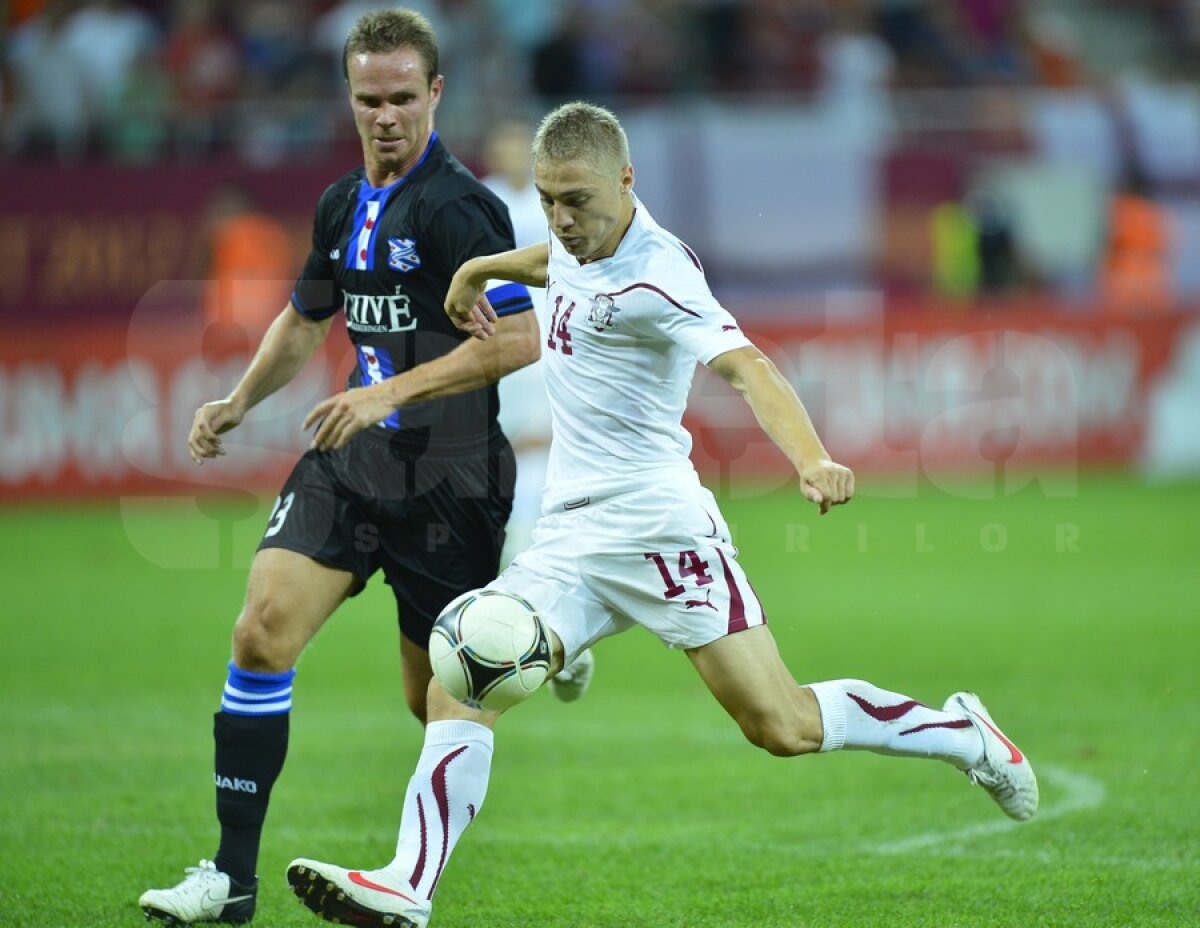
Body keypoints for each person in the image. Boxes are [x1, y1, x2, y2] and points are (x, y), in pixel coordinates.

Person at [285, 102, 1040, 928]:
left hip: (659, 530)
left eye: (579, 199)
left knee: (780, 725)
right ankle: (407, 883)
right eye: (548, 199)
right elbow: (555, 265)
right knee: (458, 685)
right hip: (571, 535)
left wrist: (811, 457)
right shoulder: (574, 239)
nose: (564, 219)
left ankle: (964, 735)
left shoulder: (662, 273)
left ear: (627, 182)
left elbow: (749, 368)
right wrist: (479, 269)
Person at [138, 10, 588, 925]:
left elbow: (519, 341)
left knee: (440, 703)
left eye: (401, 99)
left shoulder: (465, 208)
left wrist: (390, 392)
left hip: (453, 480)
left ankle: (552, 639)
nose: (385, 116)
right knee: (261, 630)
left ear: (435, 94)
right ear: (349, 97)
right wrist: (238, 401)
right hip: (349, 463)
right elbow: (307, 318)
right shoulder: (341, 203)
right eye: (368, 100)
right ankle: (230, 878)